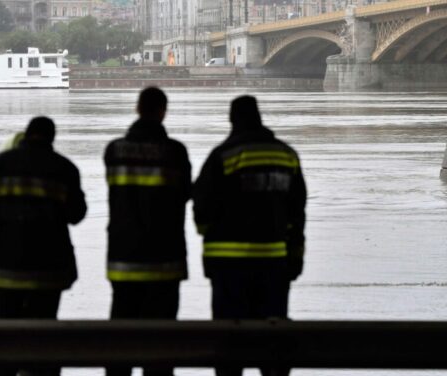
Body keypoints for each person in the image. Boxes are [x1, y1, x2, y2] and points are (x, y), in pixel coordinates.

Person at [193, 95, 307, 376]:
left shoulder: (224, 155)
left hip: (228, 266)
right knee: (272, 338)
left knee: (230, 340)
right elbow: (298, 212)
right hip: (273, 264)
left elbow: (201, 206)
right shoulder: (286, 155)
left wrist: (210, 238)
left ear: (232, 119)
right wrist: (294, 256)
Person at [0, 116, 87, 376]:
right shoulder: (64, 168)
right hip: (47, 272)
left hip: (4, 269)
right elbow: (76, 214)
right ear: (52, 137)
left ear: (26, 134)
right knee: (43, 337)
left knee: (1, 337)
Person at [104, 87, 192, 376]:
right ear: (163, 111)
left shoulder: (114, 150)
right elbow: (184, 195)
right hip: (165, 262)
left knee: (120, 341)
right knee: (161, 344)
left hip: (123, 259)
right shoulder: (175, 152)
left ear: (137, 108)